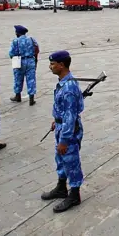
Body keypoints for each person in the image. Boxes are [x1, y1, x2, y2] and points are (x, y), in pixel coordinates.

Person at [40, 50, 84, 213]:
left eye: (53, 64)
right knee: (61, 158)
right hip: (61, 126)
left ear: (62, 65)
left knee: (71, 161)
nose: (50, 67)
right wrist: (56, 121)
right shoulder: (63, 82)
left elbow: (71, 116)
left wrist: (64, 139)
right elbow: (63, 109)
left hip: (68, 131)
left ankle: (74, 194)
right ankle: (61, 187)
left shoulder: (68, 88)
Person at [8, 25, 39, 105]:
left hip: (19, 61)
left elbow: (11, 53)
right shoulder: (31, 39)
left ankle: (18, 96)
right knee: (31, 79)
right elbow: (37, 49)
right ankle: (31, 99)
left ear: (18, 33)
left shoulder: (16, 41)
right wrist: (35, 60)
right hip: (30, 60)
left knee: (18, 78)